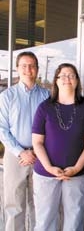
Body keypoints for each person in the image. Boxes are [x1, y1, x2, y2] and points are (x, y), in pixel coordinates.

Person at [32, 63, 84, 231]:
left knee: (74, 222)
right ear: (56, 80)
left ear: (77, 81)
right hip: (45, 175)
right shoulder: (44, 107)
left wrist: (76, 168)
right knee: (45, 221)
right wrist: (49, 167)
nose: (67, 79)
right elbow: (37, 142)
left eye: (71, 75)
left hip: (78, 174)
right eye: (62, 75)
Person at [0, 51, 49, 231]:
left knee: (40, 204)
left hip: (41, 155)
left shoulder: (46, 96)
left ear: (37, 69)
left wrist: (36, 151)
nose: (28, 69)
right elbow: (2, 129)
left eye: (32, 66)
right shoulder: (7, 96)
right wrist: (21, 152)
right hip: (15, 157)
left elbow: (50, 128)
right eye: (24, 66)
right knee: (14, 205)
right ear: (17, 69)